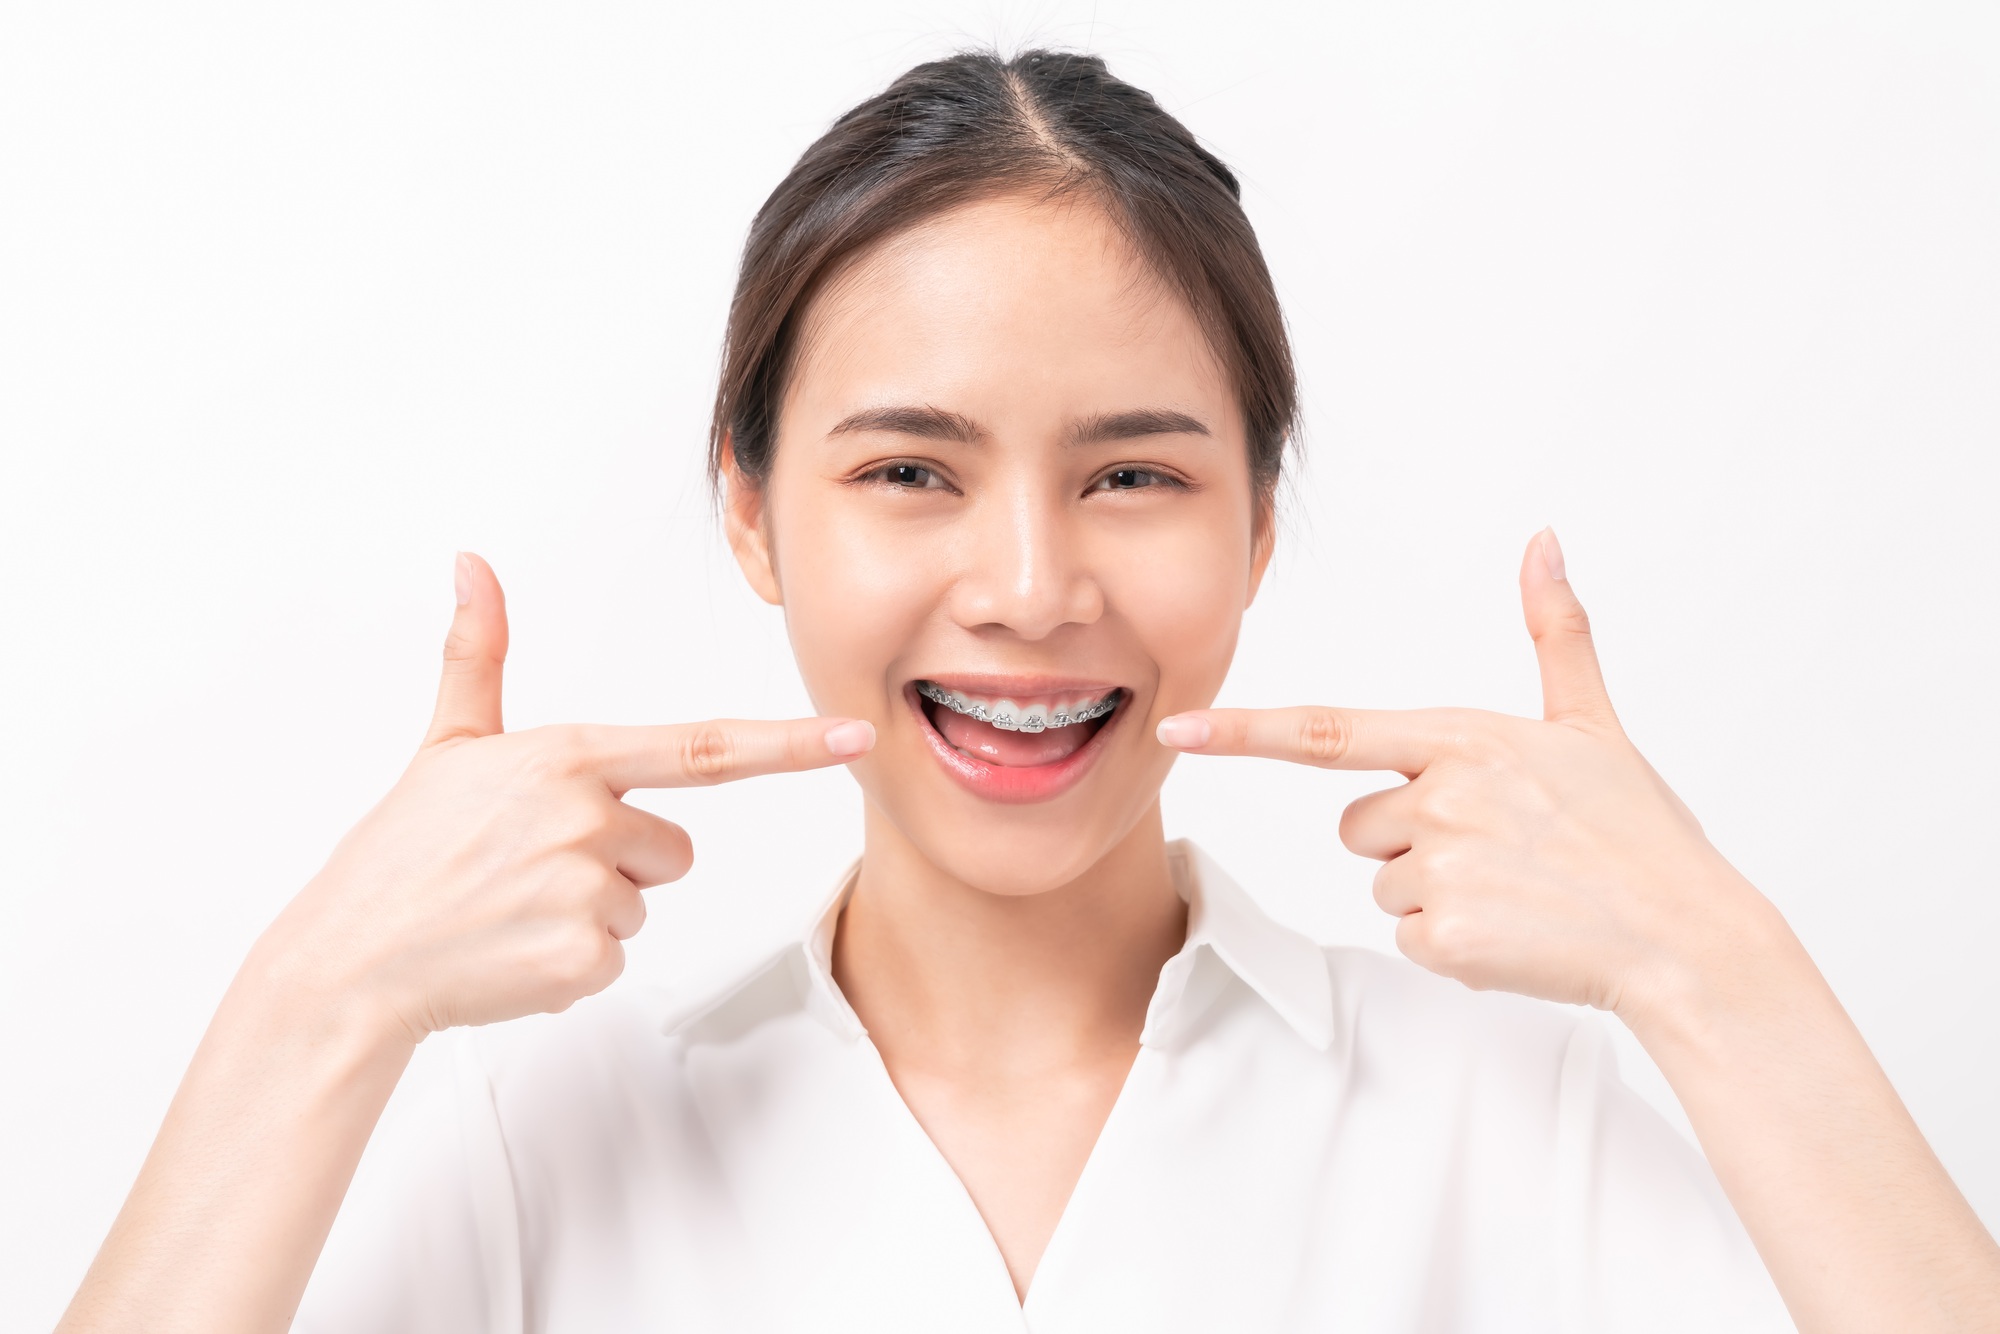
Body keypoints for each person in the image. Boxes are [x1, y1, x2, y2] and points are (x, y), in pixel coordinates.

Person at [56, 49, 2000, 1334]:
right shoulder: (529, 1137)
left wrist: (1719, 972)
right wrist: (314, 1000)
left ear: (1255, 525)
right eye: (909, 470)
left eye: (1134, 474)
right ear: (751, 513)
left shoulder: (1518, 1115)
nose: (1027, 589)